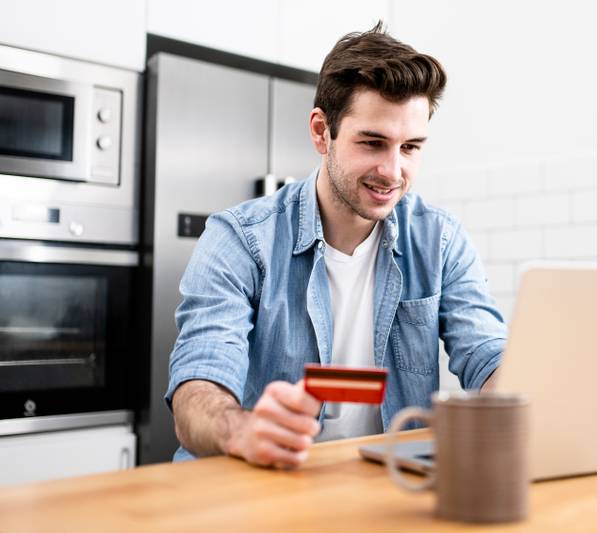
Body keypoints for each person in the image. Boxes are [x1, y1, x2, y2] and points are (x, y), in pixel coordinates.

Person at [166, 22, 506, 467]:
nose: (392, 170)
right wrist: (241, 429)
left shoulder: (439, 239)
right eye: (372, 143)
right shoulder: (240, 240)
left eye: (410, 147)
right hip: (260, 488)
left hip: (387, 489)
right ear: (321, 131)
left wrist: (532, 397)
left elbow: (487, 356)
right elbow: (197, 387)